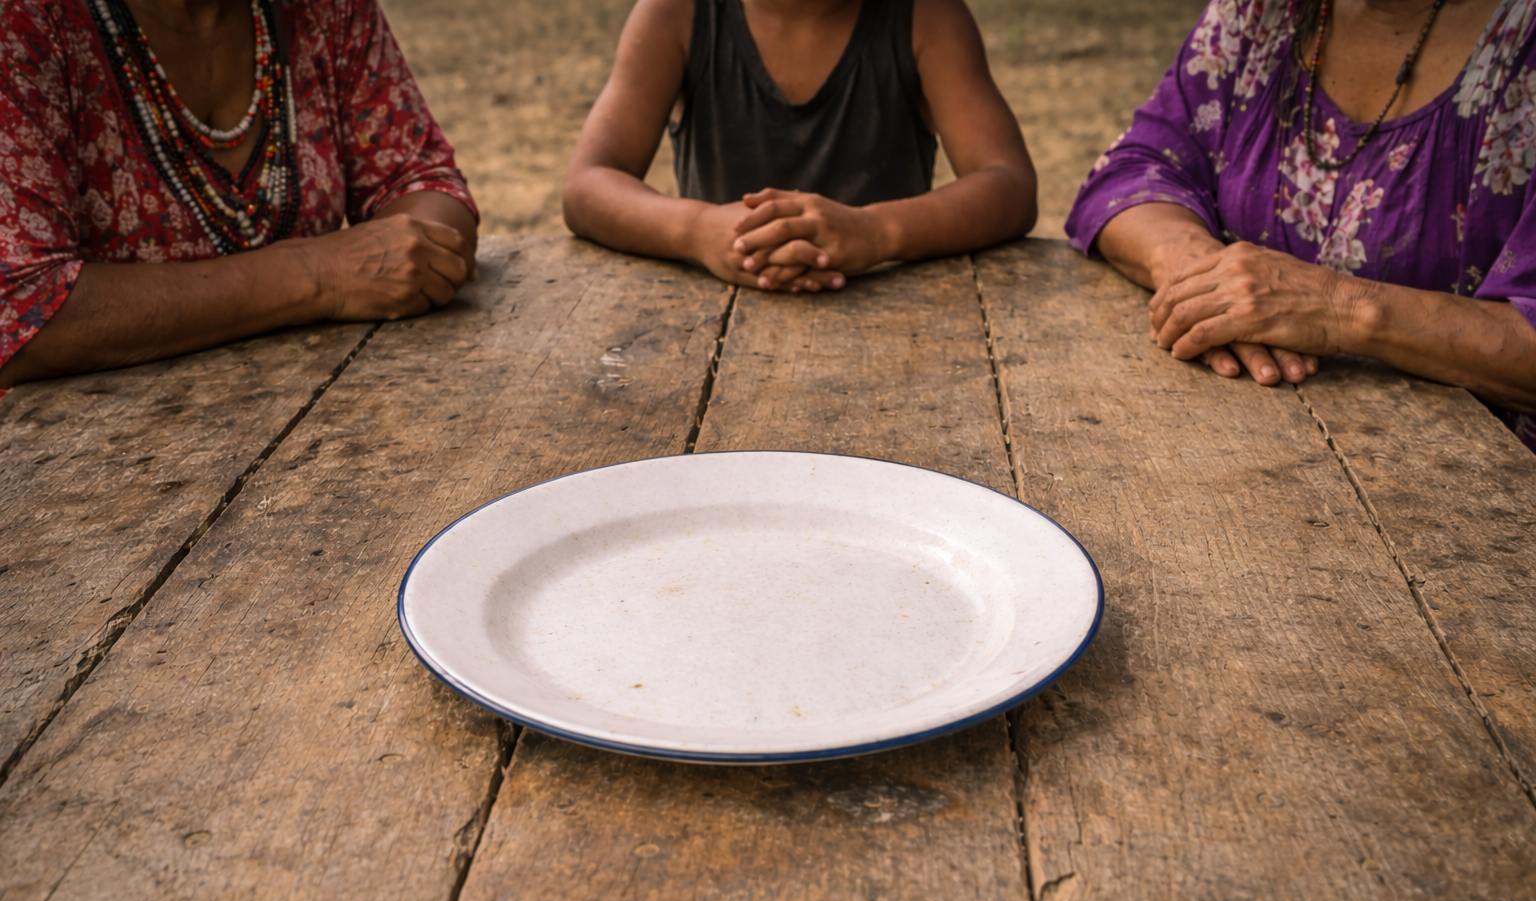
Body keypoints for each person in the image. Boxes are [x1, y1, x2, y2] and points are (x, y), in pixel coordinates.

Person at [1066, 0, 1536, 452]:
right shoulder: (1262, 12)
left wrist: (1342, 308)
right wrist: (1210, 282)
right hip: (1248, 452)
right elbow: (1135, 167)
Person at [0, 0, 479, 389]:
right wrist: (318, 275)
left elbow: (423, 182)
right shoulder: (27, 23)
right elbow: (23, 313)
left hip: (318, 423)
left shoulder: (322, 11)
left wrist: (415, 254)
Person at [562, 0, 1037, 293]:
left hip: (897, 317)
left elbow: (1009, 183)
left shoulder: (927, 16)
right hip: (708, 322)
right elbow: (587, 186)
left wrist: (878, 232)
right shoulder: (675, 13)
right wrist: (697, 230)